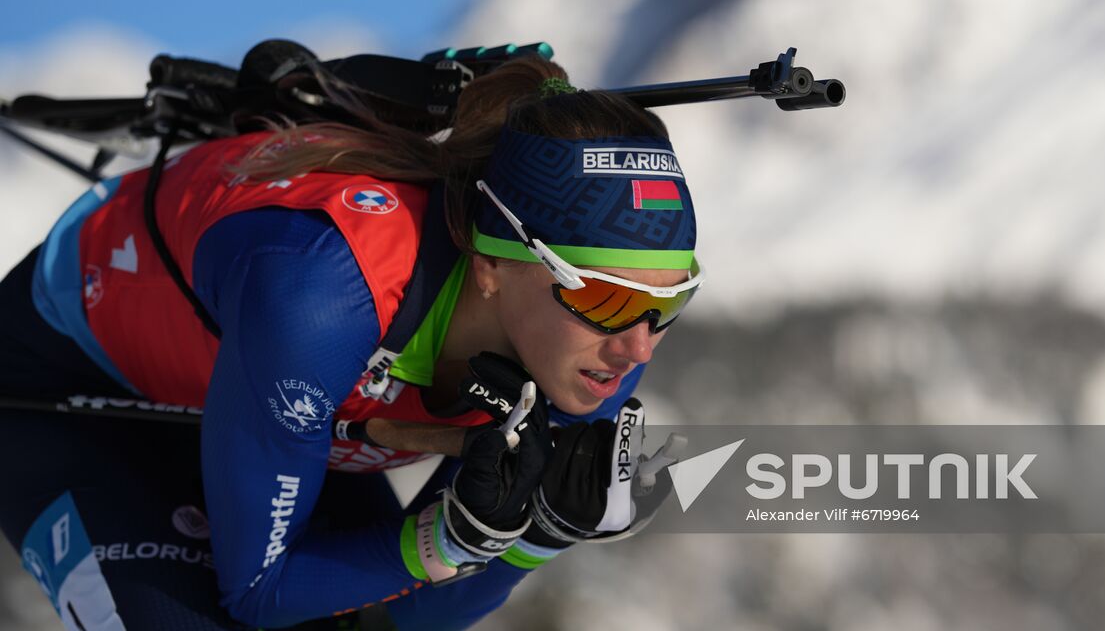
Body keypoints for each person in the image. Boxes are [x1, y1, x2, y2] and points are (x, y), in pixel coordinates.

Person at [0, 55, 702, 629]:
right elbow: (261, 592)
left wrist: (537, 536)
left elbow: (405, 624)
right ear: (492, 263)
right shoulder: (323, 293)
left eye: (670, 304)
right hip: (73, 396)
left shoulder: (594, 361)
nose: (639, 347)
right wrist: (448, 539)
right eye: (605, 297)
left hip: (272, 412)